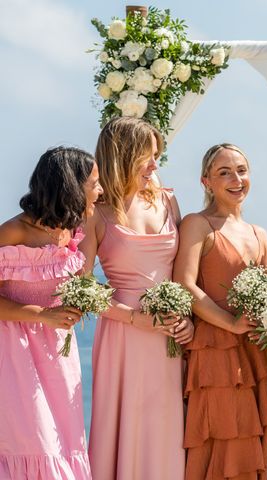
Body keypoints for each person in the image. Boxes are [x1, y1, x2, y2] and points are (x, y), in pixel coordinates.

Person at [81, 117, 192, 480]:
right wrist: (133, 318)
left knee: (166, 429)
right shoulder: (96, 214)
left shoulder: (168, 200)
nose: (154, 166)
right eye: (148, 156)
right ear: (123, 156)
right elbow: (81, 290)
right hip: (123, 336)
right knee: (124, 425)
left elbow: (183, 274)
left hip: (169, 338)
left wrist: (187, 320)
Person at [0, 146, 102, 479]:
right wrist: (42, 315)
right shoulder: (12, 232)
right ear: (72, 185)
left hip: (58, 355)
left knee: (64, 444)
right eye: (95, 183)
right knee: (35, 443)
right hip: (14, 355)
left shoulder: (70, 232)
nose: (100, 191)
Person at [173, 144, 267, 480]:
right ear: (206, 182)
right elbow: (186, 286)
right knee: (222, 444)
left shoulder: (260, 234)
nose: (236, 179)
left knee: (257, 445)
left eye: (242, 170)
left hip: (255, 353)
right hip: (214, 352)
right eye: (224, 173)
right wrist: (231, 323)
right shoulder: (197, 224)